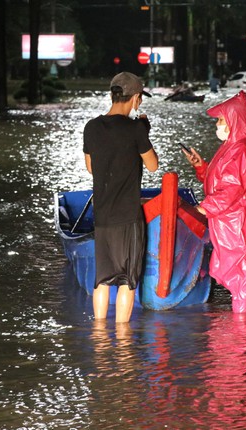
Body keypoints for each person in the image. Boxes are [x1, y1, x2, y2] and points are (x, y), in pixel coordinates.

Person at [83, 72, 159, 323]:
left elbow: (91, 167)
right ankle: (124, 342)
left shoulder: (92, 127)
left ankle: (99, 337)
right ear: (136, 98)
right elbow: (152, 165)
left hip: (102, 215)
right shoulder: (136, 128)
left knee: (102, 280)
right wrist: (143, 132)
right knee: (127, 281)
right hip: (128, 217)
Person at [182, 91, 246, 313]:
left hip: (234, 224)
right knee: (232, 273)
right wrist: (201, 167)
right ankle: (239, 326)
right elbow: (223, 180)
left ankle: (241, 329)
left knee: (238, 278)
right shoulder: (234, 146)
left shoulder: (242, 150)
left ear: (234, 121)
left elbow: (230, 191)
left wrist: (201, 209)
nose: (216, 124)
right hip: (226, 221)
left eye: (220, 119)